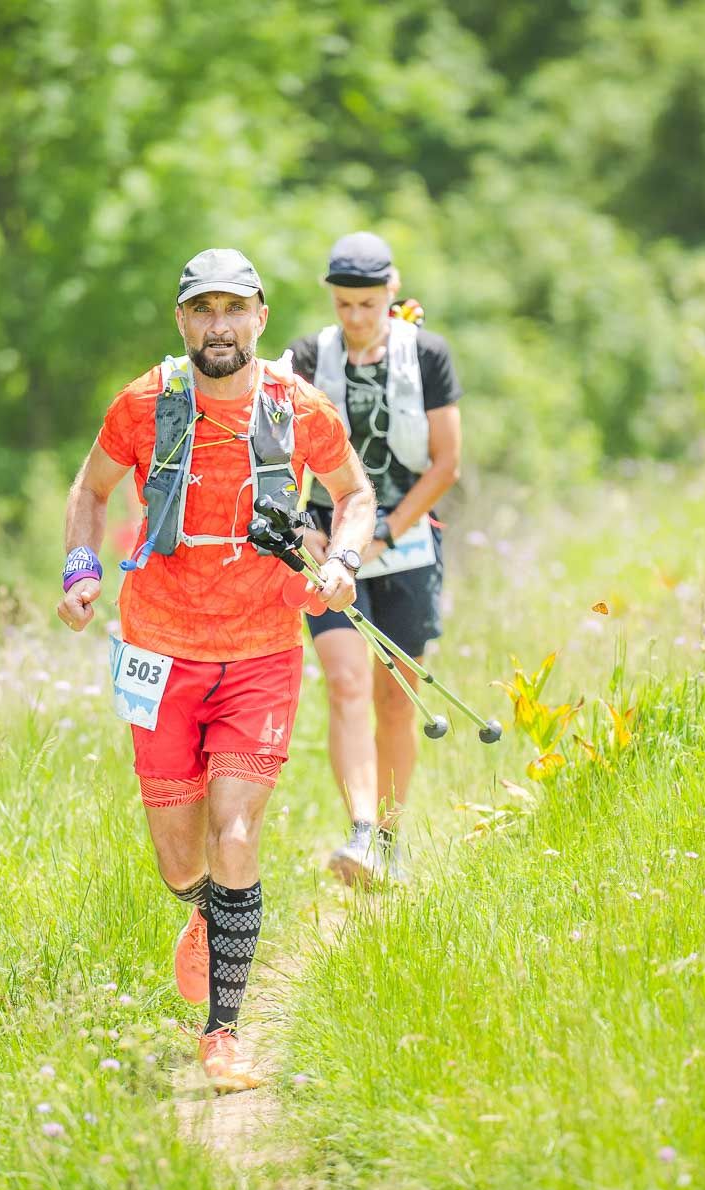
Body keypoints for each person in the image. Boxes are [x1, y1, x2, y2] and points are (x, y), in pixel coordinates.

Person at [57, 248, 375, 1093]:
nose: (220, 325)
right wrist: (79, 570)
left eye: (236, 309)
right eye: (204, 310)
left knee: (237, 833)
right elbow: (88, 490)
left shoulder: (295, 407)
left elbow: (355, 494)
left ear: (262, 318)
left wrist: (342, 558)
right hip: (157, 648)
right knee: (178, 858)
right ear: (182, 321)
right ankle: (206, 910)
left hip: (262, 650)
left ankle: (223, 1033)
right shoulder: (145, 403)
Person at [286, 232, 463, 887]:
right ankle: (359, 829)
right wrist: (305, 528)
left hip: (407, 544)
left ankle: (389, 836)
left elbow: (446, 461)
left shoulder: (430, 355)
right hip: (327, 550)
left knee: (396, 698)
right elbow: (280, 452)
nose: (355, 318)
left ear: (391, 291)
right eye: (343, 305)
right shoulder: (307, 357)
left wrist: (383, 533)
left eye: (367, 303)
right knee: (346, 681)